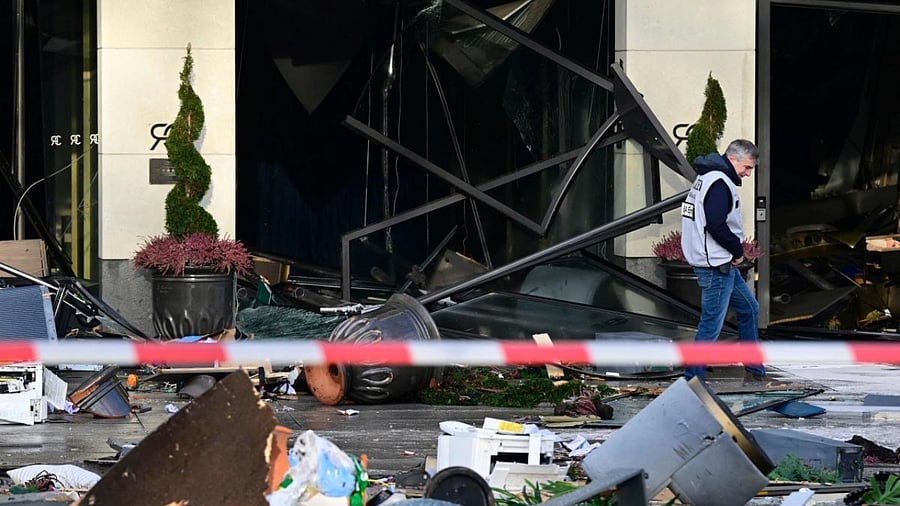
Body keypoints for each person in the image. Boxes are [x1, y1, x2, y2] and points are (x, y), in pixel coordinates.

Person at [680, 139, 766, 383]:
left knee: (750, 308)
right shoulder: (719, 183)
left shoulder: (707, 178)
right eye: (747, 167)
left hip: (719, 263)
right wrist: (737, 250)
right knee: (711, 324)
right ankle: (692, 379)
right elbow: (716, 224)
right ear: (733, 159)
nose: (748, 174)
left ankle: (755, 368)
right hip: (716, 265)